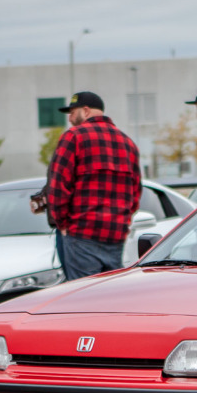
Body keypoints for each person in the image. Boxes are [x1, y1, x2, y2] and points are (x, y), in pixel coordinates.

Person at [44, 90, 141, 280]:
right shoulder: (128, 143)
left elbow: (58, 187)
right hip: (115, 235)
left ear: (86, 111)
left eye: (73, 113)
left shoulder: (73, 137)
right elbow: (135, 193)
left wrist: (63, 224)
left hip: (81, 233)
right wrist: (122, 221)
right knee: (108, 297)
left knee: (83, 298)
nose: (70, 119)